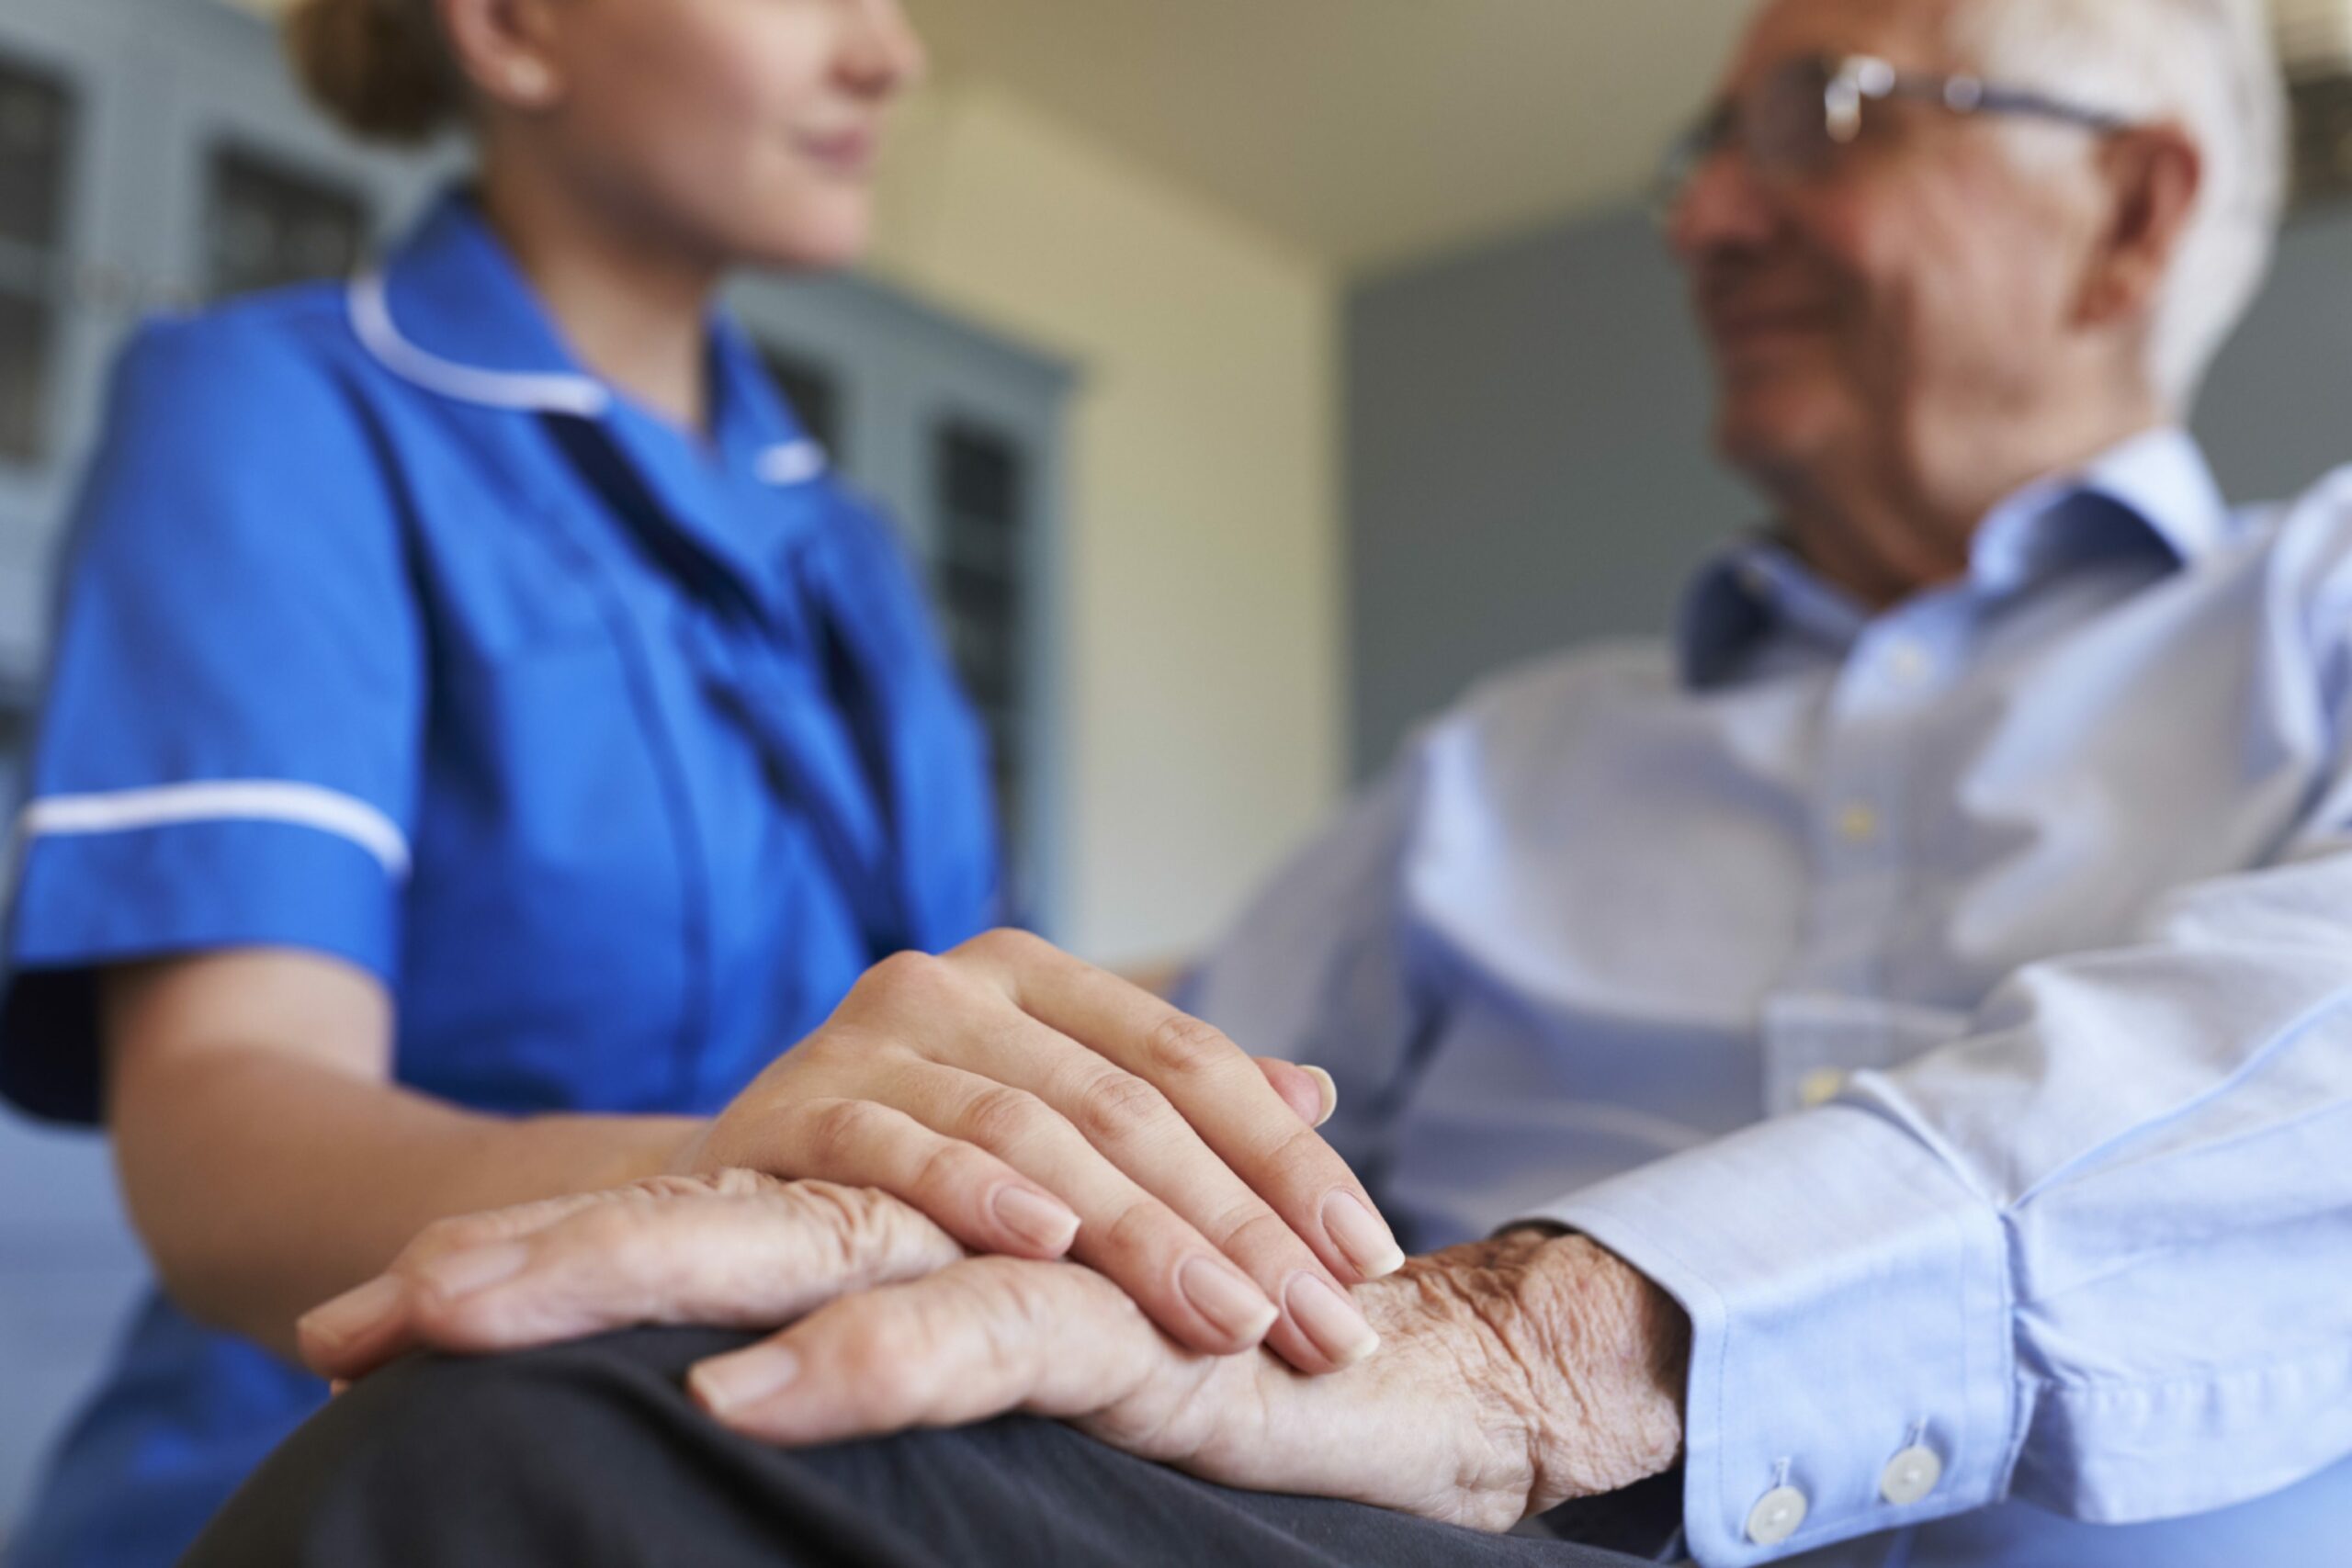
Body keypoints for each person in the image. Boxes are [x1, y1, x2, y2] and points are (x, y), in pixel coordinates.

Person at [186, 0, 2352, 1563]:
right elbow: (1169, 1081)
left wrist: (1538, 1345)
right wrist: (940, 1152)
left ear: (2131, 209)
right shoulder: (1494, 771)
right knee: (559, 1449)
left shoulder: (2317, 603)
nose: (1698, 215)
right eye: (1695, 152)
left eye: (1824, 113)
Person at [0, 0, 1414, 1562]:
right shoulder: (273, 413)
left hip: (786, 1465)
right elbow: (223, 1139)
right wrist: (708, 1182)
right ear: (515, 28)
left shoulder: (848, 556)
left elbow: (952, 1008)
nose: (891, 57)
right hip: (342, 1485)